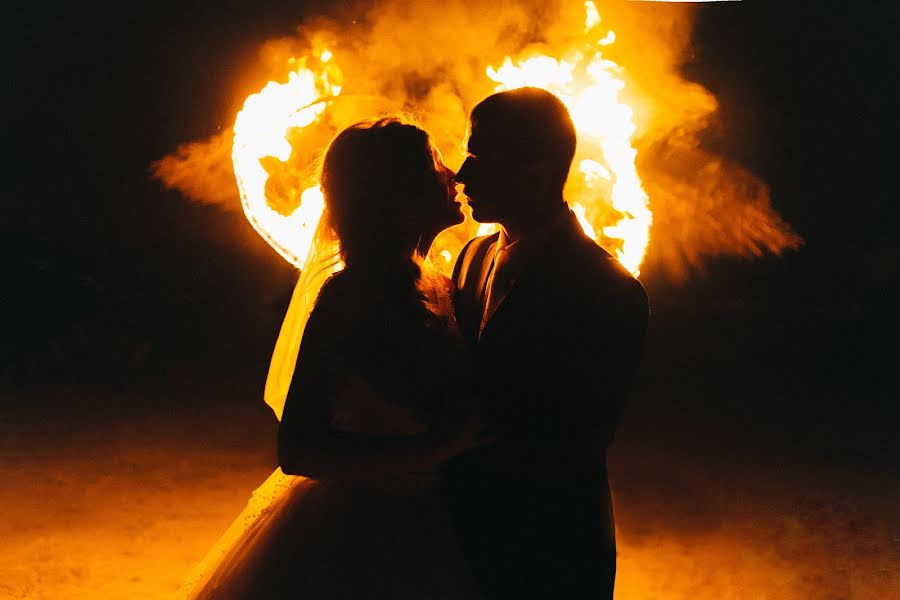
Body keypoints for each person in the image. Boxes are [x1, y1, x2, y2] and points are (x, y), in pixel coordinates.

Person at [178, 118, 483, 599]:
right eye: (435, 165)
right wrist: (434, 449)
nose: (454, 177)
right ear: (399, 199)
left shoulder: (442, 284)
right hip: (354, 535)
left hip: (430, 523)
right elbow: (299, 448)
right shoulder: (351, 297)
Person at [445, 87, 649, 599]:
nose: (462, 175)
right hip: (461, 544)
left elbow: (575, 447)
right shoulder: (472, 255)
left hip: (550, 555)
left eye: (477, 157)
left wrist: (440, 453)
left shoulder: (608, 290)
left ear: (534, 175)